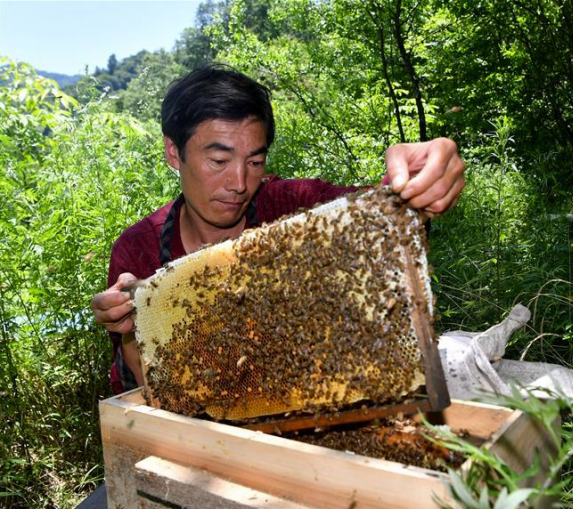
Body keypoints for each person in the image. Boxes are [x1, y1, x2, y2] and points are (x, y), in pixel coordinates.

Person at [90, 64, 466, 394]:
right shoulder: (139, 250)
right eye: (219, 160)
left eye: (254, 161)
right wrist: (129, 332)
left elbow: (381, 215)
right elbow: (142, 398)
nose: (239, 182)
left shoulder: (293, 206)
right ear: (174, 152)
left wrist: (417, 183)